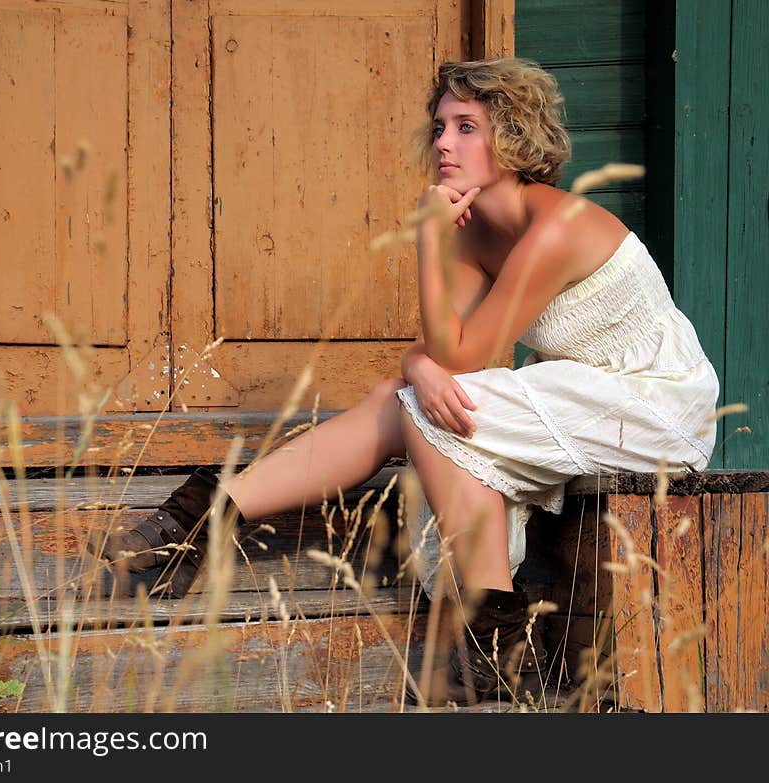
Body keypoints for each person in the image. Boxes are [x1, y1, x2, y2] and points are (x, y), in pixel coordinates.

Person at [88, 57, 719, 707]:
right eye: (441, 125)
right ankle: (204, 525)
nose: (444, 141)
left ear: (514, 137)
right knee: (398, 398)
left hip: (652, 402)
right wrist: (421, 361)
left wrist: (427, 246)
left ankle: (492, 642)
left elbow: (467, 355)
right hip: (580, 391)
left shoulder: (554, 224)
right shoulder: (476, 235)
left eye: (466, 126)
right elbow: (446, 354)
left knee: (423, 406)